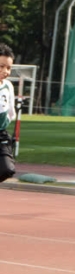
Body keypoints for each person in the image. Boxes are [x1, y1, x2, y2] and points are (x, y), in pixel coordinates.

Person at [0, 43, 16, 183]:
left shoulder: (8, 86)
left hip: (1, 133)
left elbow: (11, 111)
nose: (5, 71)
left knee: (7, 169)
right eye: (1, 66)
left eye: (9, 68)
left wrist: (6, 121)